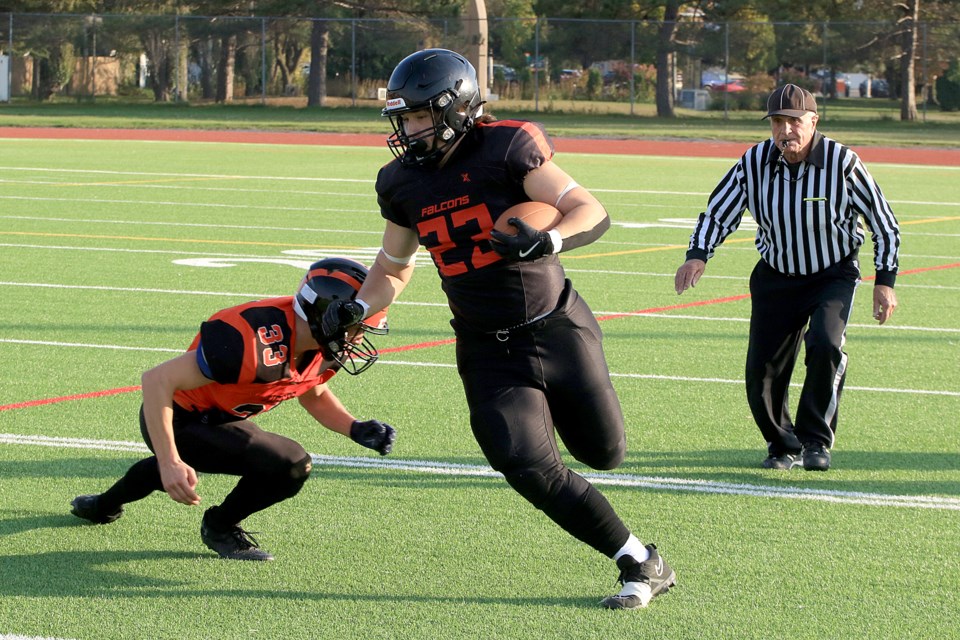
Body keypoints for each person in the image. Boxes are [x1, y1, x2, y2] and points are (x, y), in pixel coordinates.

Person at [320, 48, 675, 609]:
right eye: (404, 118)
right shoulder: (400, 182)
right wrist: (360, 310)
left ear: (459, 109)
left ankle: (556, 403)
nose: (409, 130)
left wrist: (551, 239)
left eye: (419, 117)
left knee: (604, 454)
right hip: (486, 345)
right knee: (522, 461)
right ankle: (638, 560)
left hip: (556, 326)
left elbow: (586, 207)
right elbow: (392, 267)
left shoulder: (507, 146)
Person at [70, 258, 397, 561]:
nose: (358, 338)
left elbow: (313, 392)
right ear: (325, 315)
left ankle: (103, 505)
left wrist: (353, 427)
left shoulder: (317, 345)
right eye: (356, 328)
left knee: (255, 463)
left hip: (222, 419)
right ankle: (219, 526)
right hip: (178, 416)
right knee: (289, 463)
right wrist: (171, 461)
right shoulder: (249, 339)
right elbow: (157, 381)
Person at [674, 83, 901, 472]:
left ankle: (816, 440)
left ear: (813, 121)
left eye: (794, 122)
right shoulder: (754, 161)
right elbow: (719, 211)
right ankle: (782, 444)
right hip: (776, 274)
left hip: (832, 273)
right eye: (778, 122)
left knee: (825, 344)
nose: (786, 131)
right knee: (761, 371)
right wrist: (698, 255)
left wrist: (885, 280)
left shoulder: (842, 163)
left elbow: (884, 223)